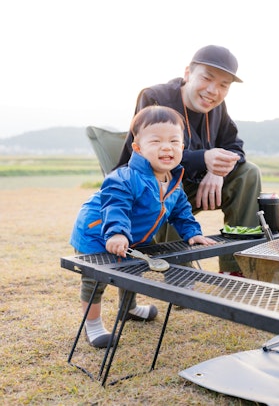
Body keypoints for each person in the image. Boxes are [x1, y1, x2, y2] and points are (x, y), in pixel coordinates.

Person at [70, 105, 215, 348]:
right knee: (95, 280)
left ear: (182, 148)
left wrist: (193, 233)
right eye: (156, 141)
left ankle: (129, 309)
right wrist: (115, 232)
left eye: (173, 141)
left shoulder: (173, 182)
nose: (166, 147)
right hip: (96, 233)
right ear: (137, 148)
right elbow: (115, 206)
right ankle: (92, 325)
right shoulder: (125, 178)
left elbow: (181, 212)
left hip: (134, 238)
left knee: (133, 270)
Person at [117, 45, 262, 274]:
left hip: (196, 188)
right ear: (188, 73)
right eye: (207, 78)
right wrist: (204, 159)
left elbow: (235, 147)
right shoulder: (155, 97)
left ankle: (236, 269)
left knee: (248, 173)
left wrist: (217, 171)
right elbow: (148, 156)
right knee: (166, 182)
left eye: (224, 85)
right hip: (148, 190)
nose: (214, 91)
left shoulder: (217, 108)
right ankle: (179, 275)